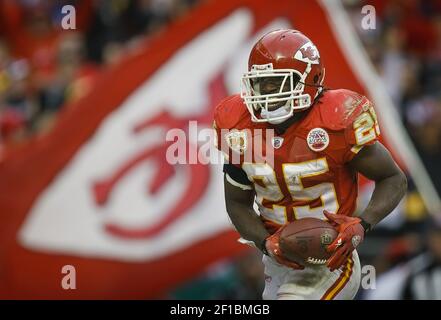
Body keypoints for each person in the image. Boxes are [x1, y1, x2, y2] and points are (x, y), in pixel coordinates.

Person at [213, 29, 407, 300]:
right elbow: (237, 202)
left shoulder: (337, 119)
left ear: (309, 80)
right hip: (278, 262)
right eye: (260, 83)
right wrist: (266, 242)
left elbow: (393, 178)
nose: (264, 93)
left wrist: (363, 224)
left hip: (332, 261)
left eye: (275, 83)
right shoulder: (239, 126)